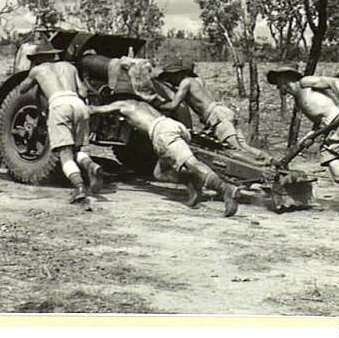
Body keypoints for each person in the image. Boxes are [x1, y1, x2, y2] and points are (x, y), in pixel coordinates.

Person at [89, 99, 242, 217]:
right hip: (173, 125)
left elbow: (98, 109)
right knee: (159, 173)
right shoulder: (142, 104)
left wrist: (84, 107)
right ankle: (193, 185)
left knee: (191, 162)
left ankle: (225, 189)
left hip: (161, 133)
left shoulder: (124, 105)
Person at [267, 67, 339, 203]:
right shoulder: (298, 99)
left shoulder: (305, 82)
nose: (278, 88)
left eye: (278, 83)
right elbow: (319, 120)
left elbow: (337, 82)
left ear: (284, 78)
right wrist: (309, 136)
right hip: (329, 136)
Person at [19, 38, 103, 204]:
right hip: (79, 105)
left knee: (65, 153)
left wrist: (36, 80)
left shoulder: (37, 70)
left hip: (59, 105)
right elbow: (83, 92)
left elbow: (22, 89)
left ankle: (79, 187)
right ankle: (91, 166)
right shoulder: (70, 67)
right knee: (80, 149)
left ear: (37, 57)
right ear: (52, 55)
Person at [155, 59, 269, 160]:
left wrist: (157, 105)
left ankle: (261, 170)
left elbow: (173, 105)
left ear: (180, 73)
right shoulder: (197, 81)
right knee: (244, 146)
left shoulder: (186, 82)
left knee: (236, 150)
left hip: (216, 116)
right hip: (222, 112)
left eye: (171, 76)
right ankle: (268, 159)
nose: (171, 79)